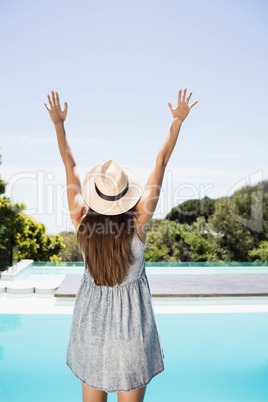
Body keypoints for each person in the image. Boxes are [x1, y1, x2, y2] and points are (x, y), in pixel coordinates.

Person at [44, 88, 198, 402]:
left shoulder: (82, 221)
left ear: (94, 195)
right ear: (126, 195)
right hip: (133, 331)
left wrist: (59, 124)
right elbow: (162, 162)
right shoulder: (137, 223)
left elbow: (69, 165)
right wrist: (177, 122)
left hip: (91, 330)